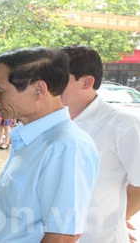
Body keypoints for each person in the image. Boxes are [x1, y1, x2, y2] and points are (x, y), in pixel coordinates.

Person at [0, 47, 99, 242]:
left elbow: (61, 237)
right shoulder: (31, 139)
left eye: (0, 90)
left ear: (39, 90)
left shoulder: (65, 147)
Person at [61, 45, 140, 243]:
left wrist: (118, 218)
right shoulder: (53, 121)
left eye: (59, 78)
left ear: (87, 82)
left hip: (97, 237)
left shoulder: (123, 125)